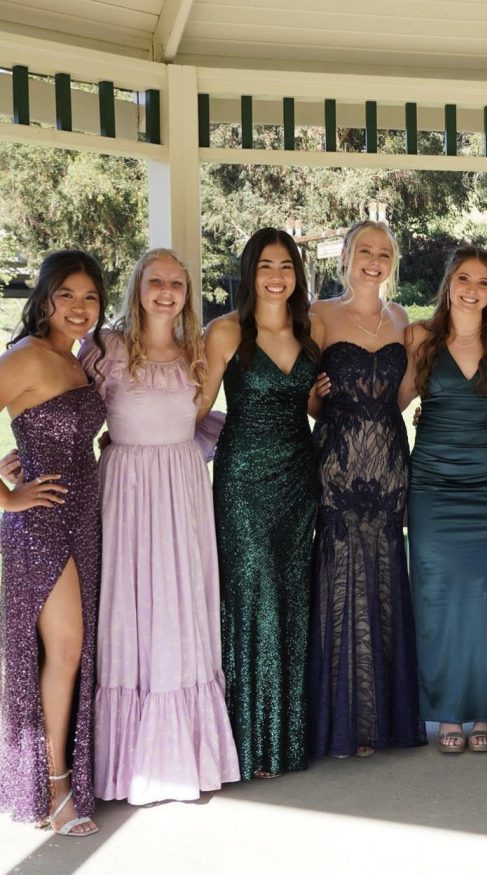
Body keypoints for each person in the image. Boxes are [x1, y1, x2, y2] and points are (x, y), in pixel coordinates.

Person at [79, 249, 240, 804]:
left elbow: (198, 419)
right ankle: (130, 759)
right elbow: (68, 412)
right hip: (126, 488)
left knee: (179, 607)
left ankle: (184, 754)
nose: (167, 291)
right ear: (138, 286)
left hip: (181, 486)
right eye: (156, 281)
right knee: (130, 609)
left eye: (177, 282)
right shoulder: (105, 349)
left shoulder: (197, 351)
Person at [203, 228, 324, 779]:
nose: (277, 276)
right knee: (253, 598)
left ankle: (287, 736)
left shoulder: (308, 331)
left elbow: (313, 410)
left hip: (300, 480)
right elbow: (195, 408)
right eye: (265, 266)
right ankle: (249, 742)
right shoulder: (225, 331)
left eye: (286, 266)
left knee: (292, 598)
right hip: (244, 483)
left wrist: (321, 402)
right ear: (249, 272)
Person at [308, 220, 425, 759]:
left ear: (391, 261)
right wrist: (321, 395)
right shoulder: (319, 315)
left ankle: (382, 720)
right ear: (347, 256)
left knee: (381, 575)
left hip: (388, 463)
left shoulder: (402, 319)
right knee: (340, 579)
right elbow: (305, 397)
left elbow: (400, 397)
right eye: (364, 251)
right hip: (337, 461)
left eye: (383, 253)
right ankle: (343, 723)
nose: (373, 260)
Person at [0, 250, 106, 834]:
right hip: (40, 525)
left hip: (82, 517)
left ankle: (51, 775)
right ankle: (55, 786)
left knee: (68, 653)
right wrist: (7, 495)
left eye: (90, 297)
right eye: (67, 294)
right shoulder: (26, 358)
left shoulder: (76, 360)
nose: (79, 307)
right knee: (64, 651)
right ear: (44, 298)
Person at [405, 244, 487, 753]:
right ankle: (446, 711)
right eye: (464, 279)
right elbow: (398, 399)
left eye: (482, 282)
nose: (472, 290)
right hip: (432, 485)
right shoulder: (420, 338)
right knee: (436, 597)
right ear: (448, 284)